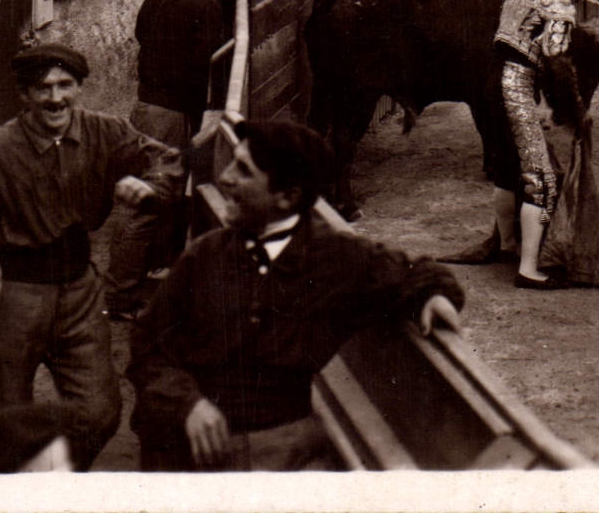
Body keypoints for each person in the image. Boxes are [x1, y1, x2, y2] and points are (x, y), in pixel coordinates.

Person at [128, 118, 463, 471]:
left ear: (287, 196)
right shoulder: (204, 254)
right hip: (187, 444)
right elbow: (148, 343)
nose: (225, 178)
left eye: (243, 170)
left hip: (278, 445)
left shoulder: (335, 256)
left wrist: (434, 295)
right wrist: (187, 405)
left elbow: (419, 272)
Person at [0, 43, 184, 468]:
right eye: (43, 89)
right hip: (13, 294)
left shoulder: (105, 131)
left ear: (79, 87)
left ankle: (49, 478)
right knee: (6, 419)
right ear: (25, 95)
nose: (56, 98)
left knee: (100, 412)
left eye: (65, 85)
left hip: (80, 291)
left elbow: (166, 159)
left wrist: (151, 186)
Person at [105, 0, 224, 319]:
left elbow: (143, 36)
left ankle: (139, 277)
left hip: (152, 106)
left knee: (152, 200)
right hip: (166, 113)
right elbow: (198, 62)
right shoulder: (190, 1)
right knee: (143, 205)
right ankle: (120, 296)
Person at [490, 0, 599, 288]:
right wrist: (562, 108)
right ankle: (528, 270)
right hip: (521, 89)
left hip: (494, 83)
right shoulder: (560, 5)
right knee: (542, 180)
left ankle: (508, 243)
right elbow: (555, 63)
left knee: (507, 170)